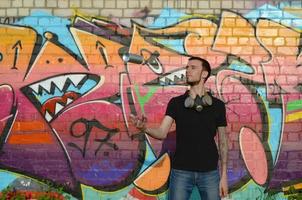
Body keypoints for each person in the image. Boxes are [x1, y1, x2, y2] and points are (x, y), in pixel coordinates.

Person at [130, 56, 228, 200]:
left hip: (210, 172)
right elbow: (162, 132)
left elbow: (223, 141)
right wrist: (144, 128)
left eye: (193, 68)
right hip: (181, 171)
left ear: (204, 74)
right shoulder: (176, 103)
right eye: (187, 67)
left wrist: (224, 175)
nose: (188, 71)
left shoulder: (218, 106)